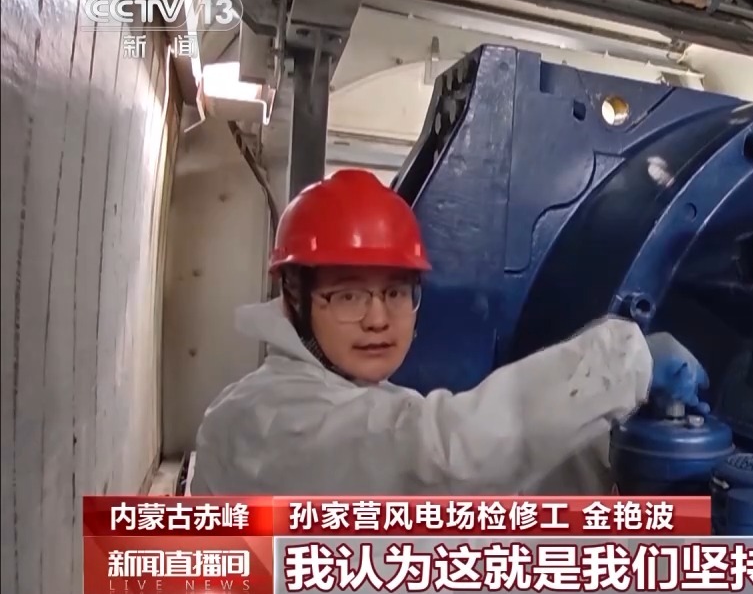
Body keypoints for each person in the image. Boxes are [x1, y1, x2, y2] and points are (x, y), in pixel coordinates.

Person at [190, 169, 710, 495]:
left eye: (396, 293)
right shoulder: (262, 421)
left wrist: (609, 447)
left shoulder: (364, 398)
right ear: (294, 297)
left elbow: (490, 489)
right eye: (348, 296)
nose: (378, 319)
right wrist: (625, 363)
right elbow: (442, 459)